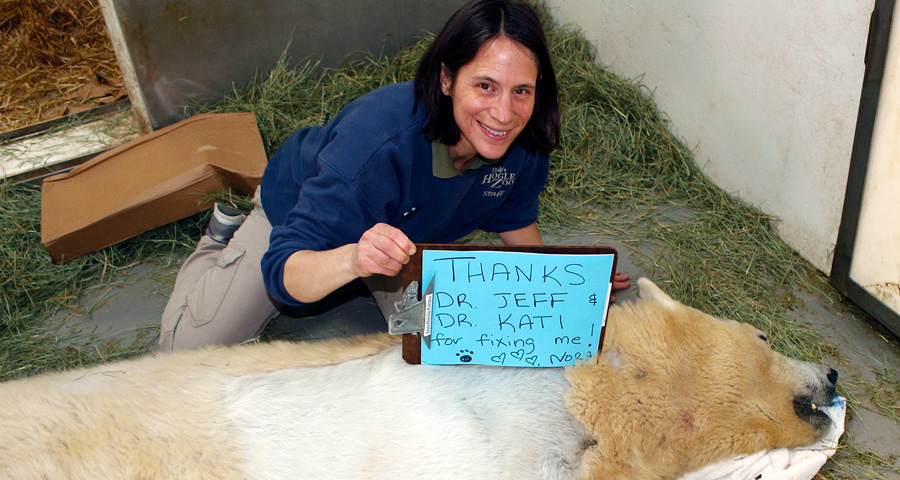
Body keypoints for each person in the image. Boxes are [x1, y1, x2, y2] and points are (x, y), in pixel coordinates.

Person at [159, 0, 630, 352]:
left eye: (521, 91)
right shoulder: (374, 143)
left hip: (407, 247)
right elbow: (284, 273)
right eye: (484, 86)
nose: (504, 113)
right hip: (307, 220)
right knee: (184, 352)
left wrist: (561, 283)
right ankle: (219, 243)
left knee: (443, 340)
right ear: (447, 79)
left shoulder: (522, 138)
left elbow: (513, 214)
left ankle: (372, 278)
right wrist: (352, 260)